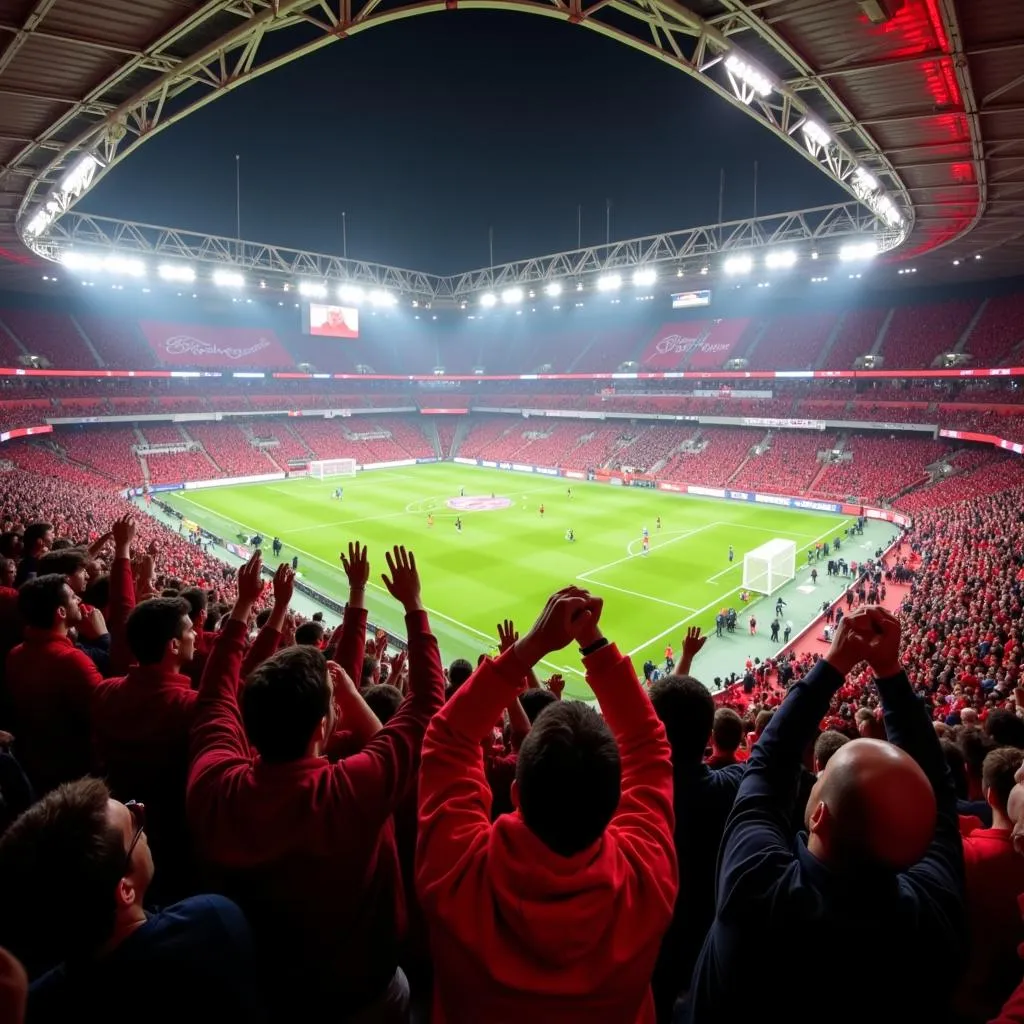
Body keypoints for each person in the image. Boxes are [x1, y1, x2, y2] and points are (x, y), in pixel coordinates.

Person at [187, 547, 445, 1021]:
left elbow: (212, 700)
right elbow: (429, 705)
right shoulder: (352, 789)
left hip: (267, 987)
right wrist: (411, 603)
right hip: (364, 991)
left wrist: (245, 608)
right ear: (323, 729)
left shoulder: (215, 785)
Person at [688, 607, 965, 1024]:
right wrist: (887, 671)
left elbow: (768, 762)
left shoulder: (756, 886)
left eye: (821, 779)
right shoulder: (935, 919)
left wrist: (841, 663)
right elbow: (939, 797)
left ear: (817, 817)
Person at [416, 588, 676, 1023]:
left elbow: (447, 738)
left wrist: (529, 647)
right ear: (615, 807)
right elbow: (650, 748)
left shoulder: (454, 874)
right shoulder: (648, 883)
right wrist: (591, 642)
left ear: (515, 794)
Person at [0, 778, 264, 1024]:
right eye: (134, 822)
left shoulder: (31, 1006)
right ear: (125, 890)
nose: (140, 808)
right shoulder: (211, 923)